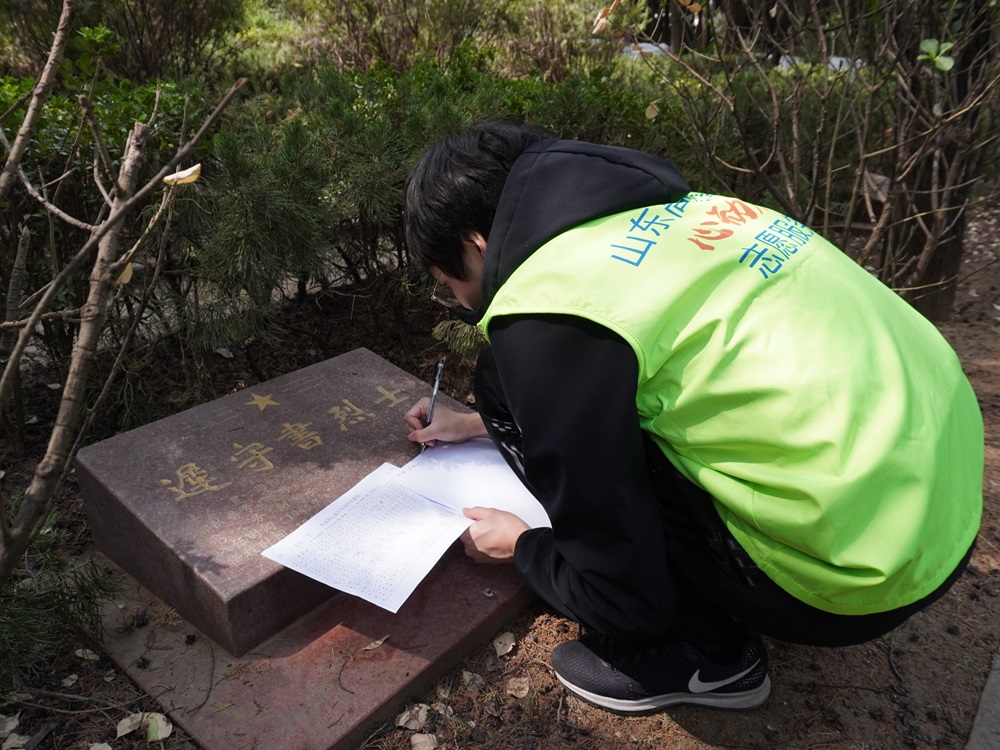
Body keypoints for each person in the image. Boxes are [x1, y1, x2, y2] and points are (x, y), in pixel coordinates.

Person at [401, 121, 983, 714]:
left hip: (851, 582)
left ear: (476, 243)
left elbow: (624, 595)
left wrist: (525, 547)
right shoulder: (686, 211)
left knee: (511, 388)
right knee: (507, 384)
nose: (463, 303)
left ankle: (706, 651)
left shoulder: (547, 306)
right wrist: (480, 423)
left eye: (451, 285)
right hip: (949, 509)